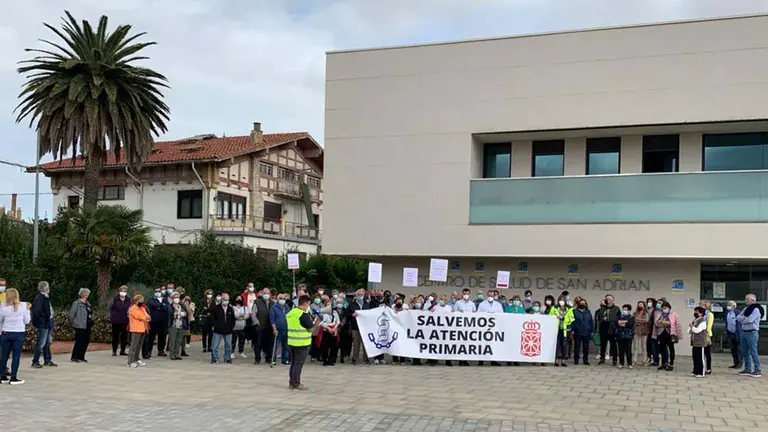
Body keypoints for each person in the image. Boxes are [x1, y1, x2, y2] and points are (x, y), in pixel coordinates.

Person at [287, 295, 322, 390]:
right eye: (309, 304)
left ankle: (292, 382)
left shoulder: (292, 312)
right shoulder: (303, 315)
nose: (308, 306)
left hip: (291, 341)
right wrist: (317, 324)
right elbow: (310, 329)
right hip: (301, 343)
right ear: (305, 303)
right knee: (298, 364)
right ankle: (296, 383)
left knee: (294, 363)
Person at [0, 288, 30, 385]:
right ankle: (13, 377)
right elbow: (27, 321)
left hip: (6, 332)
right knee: (16, 356)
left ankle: (2, 376)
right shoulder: (23, 307)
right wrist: (28, 310)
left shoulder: (4, 308)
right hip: (18, 333)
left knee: (4, 356)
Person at [31, 281, 57, 368]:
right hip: (43, 324)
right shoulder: (40, 298)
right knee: (41, 343)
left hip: (47, 323)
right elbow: (37, 312)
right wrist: (44, 319)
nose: (49, 288)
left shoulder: (45, 297)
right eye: (47, 287)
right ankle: (35, 361)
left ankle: (47, 360)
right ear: (44, 288)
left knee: (47, 342)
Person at [737, 294, 762, 378]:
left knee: (753, 351)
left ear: (753, 300)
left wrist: (743, 319)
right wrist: (744, 319)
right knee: (745, 351)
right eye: (746, 299)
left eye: (747, 299)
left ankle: (757, 370)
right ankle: (747, 369)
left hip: (752, 332)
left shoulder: (756, 309)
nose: (746, 300)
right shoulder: (745, 309)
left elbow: (750, 320)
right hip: (744, 332)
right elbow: (738, 317)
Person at [653, 300, 682, 372]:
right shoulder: (659, 314)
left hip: (670, 333)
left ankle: (671, 364)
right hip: (661, 333)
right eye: (663, 308)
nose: (664, 309)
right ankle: (663, 363)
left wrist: (678, 334)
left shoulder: (674, 314)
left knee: (671, 348)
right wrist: (662, 322)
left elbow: (677, 325)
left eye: (665, 308)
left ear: (669, 308)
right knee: (662, 348)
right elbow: (656, 323)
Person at [68, 288, 93, 363]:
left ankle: (81, 356)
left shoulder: (88, 304)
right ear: (83, 294)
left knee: (86, 341)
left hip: (87, 325)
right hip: (79, 325)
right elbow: (71, 315)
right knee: (79, 341)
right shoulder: (76, 303)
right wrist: (74, 323)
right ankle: (74, 357)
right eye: (86, 294)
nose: (87, 295)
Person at [144, 286, 169, 359]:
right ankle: (149, 350)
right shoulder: (151, 299)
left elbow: (167, 307)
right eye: (156, 291)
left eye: (159, 291)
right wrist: (161, 305)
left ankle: (161, 350)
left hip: (163, 321)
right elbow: (154, 305)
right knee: (151, 337)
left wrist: (159, 307)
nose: (158, 292)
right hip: (153, 321)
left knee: (162, 337)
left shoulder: (165, 299)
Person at [210, 293, 236, 364]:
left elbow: (233, 319)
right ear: (222, 299)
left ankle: (227, 358)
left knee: (228, 345)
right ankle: (215, 358)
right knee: (215, 345)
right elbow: (213, 318)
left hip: (228, 330)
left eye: (227, 300)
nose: (226, 301)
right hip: (218, 330)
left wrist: (231, 327)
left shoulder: (230, 308)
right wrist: (215, 326)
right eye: (225, 300)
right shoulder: (216, 308)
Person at [127, 293, 150, 368]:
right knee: (134, 346)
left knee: (139, 346)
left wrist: (146, 318)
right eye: (140, 300)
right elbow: (141, 317)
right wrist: (145, 318)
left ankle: (136, 359)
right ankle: (130, 362)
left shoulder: (142, 308)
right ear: (136, 301)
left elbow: (148, 316)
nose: (142, 302)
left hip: (143, 329)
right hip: (136, 329)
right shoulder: (133, 309)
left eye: (142, 300)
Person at [596, 295, 620, 366]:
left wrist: (617, 328)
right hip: (603, 327)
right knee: (603, 345)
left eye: (609, 299)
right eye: (606, 299)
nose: (607, 300)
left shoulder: (616, 308)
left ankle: (614, 359)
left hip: (612, 328)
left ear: (612, 300)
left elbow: (619, 318)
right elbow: (599, 318)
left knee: (613, 345)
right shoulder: (602, 308)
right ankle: (602, 358)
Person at [252, 288, 275, 364]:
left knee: (269, 343)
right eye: (264, 293)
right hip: (260, 327)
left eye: (267, 293)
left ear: (270, 294)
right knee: (258, 343)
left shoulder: (273, 303)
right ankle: (257, 358)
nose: (266, 295)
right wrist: (256, 322)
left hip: (269, 327)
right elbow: (253, 314)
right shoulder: (257, 302)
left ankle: (268, 358)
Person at [550, 295, 574, 367]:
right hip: (556, 329)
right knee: (556, 345)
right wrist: (555, 317)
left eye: (563, 300)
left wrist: (563, 318)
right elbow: (550, 316)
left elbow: (571, 318)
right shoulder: (554, 308)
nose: (561, 301)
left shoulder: (569, 308)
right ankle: (556, 360)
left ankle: (563, 360)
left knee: (564, 344)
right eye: (560, 300)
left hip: (565, 329)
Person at [108, 285, 132, 357]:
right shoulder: (114, 299)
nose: (123, 292)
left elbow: (130, 309)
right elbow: (109, 307)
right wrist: (111, 316)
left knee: (124, 337)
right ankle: (114, 351)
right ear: (119, 291)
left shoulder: (128, 299)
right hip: (116, 321)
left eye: (125, 291)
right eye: (122, 291)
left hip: (125, 320)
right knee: (115, 336)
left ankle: (122, 351)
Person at [348, 288, 370, 365]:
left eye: (362, 295)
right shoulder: (352, 304)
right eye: (359, 295)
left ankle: (366, 359)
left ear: (364, 295)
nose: (360, 296)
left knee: (365, 344)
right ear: (356, 295)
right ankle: (354, 358)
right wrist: (352, 314)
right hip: (356, 327)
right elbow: (347, 314)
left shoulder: (367, 304)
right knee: (356, 344)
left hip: (365, 327)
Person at [167, 292, 190, 361]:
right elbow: (168, 316)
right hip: (173, 325)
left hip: (181, 325)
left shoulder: (182, 306)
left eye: (178, 297)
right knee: (172, 341)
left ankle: (177, 354)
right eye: (175, 297)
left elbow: (187, 314)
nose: (177, 299)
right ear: (172, 298)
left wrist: (184, 314)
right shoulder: (170, 307)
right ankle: (172, 355)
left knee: (178, 341)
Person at [319, 297, 341, 366]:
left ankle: (331, 360)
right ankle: (324, 360)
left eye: (330, 304)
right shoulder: (322, 312)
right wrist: (328, 328)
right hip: (326, 329)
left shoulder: (334, 312)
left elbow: (338, 321)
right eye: (327, 304)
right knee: (325, 346)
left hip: (334, 329)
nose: (329, 305)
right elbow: (320, 322)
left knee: (333, 346)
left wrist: (334, 328)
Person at [271, 293, 291, 365]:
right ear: (277, 299)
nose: (282, 300)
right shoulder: (274, 308)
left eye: (284, 299)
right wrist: (274, 329)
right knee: (275, 345)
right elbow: (272, 320)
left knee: (286, 346)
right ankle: (273, 359)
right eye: (281, 298)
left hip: (286, 329)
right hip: (278, 329)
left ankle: (285, 360)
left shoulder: (287, 307)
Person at [572, 298, 593, 366]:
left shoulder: (588, 312)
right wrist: (573, 329)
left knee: (586, 347)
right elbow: (572, 321)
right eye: (581, 303)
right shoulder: (574, 312)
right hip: (577, 332)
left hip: (587, 332)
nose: (582, 304)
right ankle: (576, 360)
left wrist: (591, 330)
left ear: (586, 304)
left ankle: (585, 360)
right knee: (577, 347)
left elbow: (591, 322)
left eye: (584, 303)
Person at [688, 306, 708, 378]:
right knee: (695, 357)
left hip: (700, 342)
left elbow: (697, 330)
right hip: (694, 342)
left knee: (700, 358)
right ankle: (695, 371)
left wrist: (692, 327)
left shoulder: (703, 322)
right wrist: (691, 327)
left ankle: (701, 372)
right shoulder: (695, 321)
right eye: (695, 311)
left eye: (697, 312)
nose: (695, 313)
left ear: (701, 313)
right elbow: (689, 330)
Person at [616, 304, 635, 369]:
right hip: (620, 335)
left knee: (628, 350)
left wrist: (623, 323)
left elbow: (630, 325)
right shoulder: (619, 316)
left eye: (625, 310)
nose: (624, 311)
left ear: (629, 311)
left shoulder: (631, 317)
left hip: (628, 335)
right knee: (620, 350)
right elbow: (617, 323)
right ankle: (621, 363)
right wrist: (623, 322)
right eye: (623, 309)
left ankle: (629, 363)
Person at [725, 300, 742, 369]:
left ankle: (739, 363)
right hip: (730, 333)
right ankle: (735, 363)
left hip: (737, 333)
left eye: (730, 305)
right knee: (733, 349)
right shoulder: (727, 313)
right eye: (728, 304)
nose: (728, 306)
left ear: (734, 306)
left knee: (739, 350)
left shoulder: (738, 313)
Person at [699, 300, 714, 375]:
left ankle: (708, 368)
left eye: (701, 305)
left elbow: (709, 325)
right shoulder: (700, 314)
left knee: (707, 352)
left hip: (707, 335)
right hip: (700, 334)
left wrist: (705, 332)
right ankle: (701, 367)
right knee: (701, 353)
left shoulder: (710, 314)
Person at [632, 300, 649, 366]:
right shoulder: (635, 313)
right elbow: (633, 320)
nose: (640, 306)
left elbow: (646, 320)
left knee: (643, 346)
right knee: (635, 346)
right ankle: (634, 360)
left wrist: (637, 320)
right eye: (639, 305)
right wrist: (639, 320)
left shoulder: (646, 313)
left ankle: (644, 360)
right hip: (636, 330)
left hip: (644, 330)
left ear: (644, 306)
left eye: (641, 305)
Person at [645, 297, 658, 366]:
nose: (649, 303)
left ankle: (654, 357)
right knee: (648, 343)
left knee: (653, 343)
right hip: (647, 328)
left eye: (650, 302)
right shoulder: (646, 310)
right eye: (648, 302)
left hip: (653, 328)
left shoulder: (655, 310)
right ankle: (649, 356)